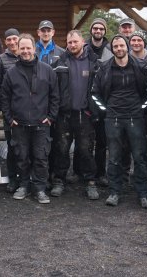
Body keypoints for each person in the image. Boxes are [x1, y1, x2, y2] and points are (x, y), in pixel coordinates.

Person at [91, 35, 147, 208]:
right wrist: (105, 110)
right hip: (113, 118)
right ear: (112, 49)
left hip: (136, 117)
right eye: (115, 46)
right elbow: (94, 93)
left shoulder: (141, 66)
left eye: (121, 45)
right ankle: (114, 191)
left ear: (127, 46)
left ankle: (144, 193)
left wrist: (142, 108)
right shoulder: (104, 68)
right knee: (114, 157)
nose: (119, 49)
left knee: (140, 156)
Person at [0, 34, 59, 204]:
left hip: (41, 124)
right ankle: (24, 185)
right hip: (19, 124)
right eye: (22, 48)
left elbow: (55, 96)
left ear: (35, 49)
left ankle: (39, 188)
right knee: (22, 157)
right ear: (18, 50)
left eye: (28, 48)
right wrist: (10, 118)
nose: (25, 51)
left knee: (41, 158)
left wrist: (50, 117)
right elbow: (4, 98)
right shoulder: (11, 73)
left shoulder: (47, 70)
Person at [51, 30, 99, 200]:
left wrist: (95, 110)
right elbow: (52, 89)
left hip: (85, 114)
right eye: (69, 42)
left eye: (75, 42)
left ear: (82, 42)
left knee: (85, 149)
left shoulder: (94, 62)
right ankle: (59, 180)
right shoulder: (59, 62)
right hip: (64, 114)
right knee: (62, 149)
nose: (72, 45)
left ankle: (90, 181)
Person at [0, 28, 21, 192]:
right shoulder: (0, 60)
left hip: (27, 109)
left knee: (26, 146)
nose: (11, 42)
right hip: (9, 109)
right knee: (11, 145)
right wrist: (1, 104)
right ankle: (12, 178)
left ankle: (26, 177)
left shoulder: (27, 55)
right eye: (8, 39)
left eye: (14, 38)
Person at [85, 18, 112, 186]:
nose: (98, 31)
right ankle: (83, 172)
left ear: (104, 31)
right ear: (91, 30)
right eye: (95, 28)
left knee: (102, 142)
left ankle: (101, 172)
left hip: (104, 100)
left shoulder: (110, 49)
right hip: (86, 101)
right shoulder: (84, 48)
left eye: (101, 28)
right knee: (85, 142)